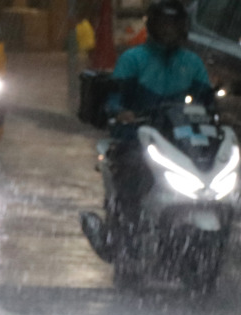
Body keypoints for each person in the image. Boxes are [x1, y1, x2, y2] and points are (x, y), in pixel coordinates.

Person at [80, 0, 212, 262]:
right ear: (152, 25)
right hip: (136, 139)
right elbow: (114, 99)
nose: (169, 30)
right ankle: (122, 238)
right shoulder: (132, 60)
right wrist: (121, 112)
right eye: (164, 24)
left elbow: (208, 102)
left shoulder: (193, 63)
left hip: (180, 141)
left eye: (174, 24)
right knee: (132, 174)